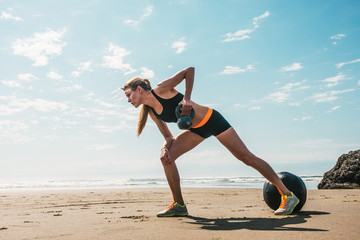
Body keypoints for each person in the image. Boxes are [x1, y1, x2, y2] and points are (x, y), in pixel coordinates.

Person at [122, 67, 299, 217]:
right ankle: (179, 205)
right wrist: (163, 148)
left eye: (129, 95)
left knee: (246, 157)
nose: (129, 100)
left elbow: (189, 71)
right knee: (167, 158)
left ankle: (287, 194)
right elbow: (168, 137)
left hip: (212, 120)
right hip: (195, 131)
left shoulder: (161, 90)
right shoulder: (152, 111)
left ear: (139, 89)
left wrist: (187, 99)